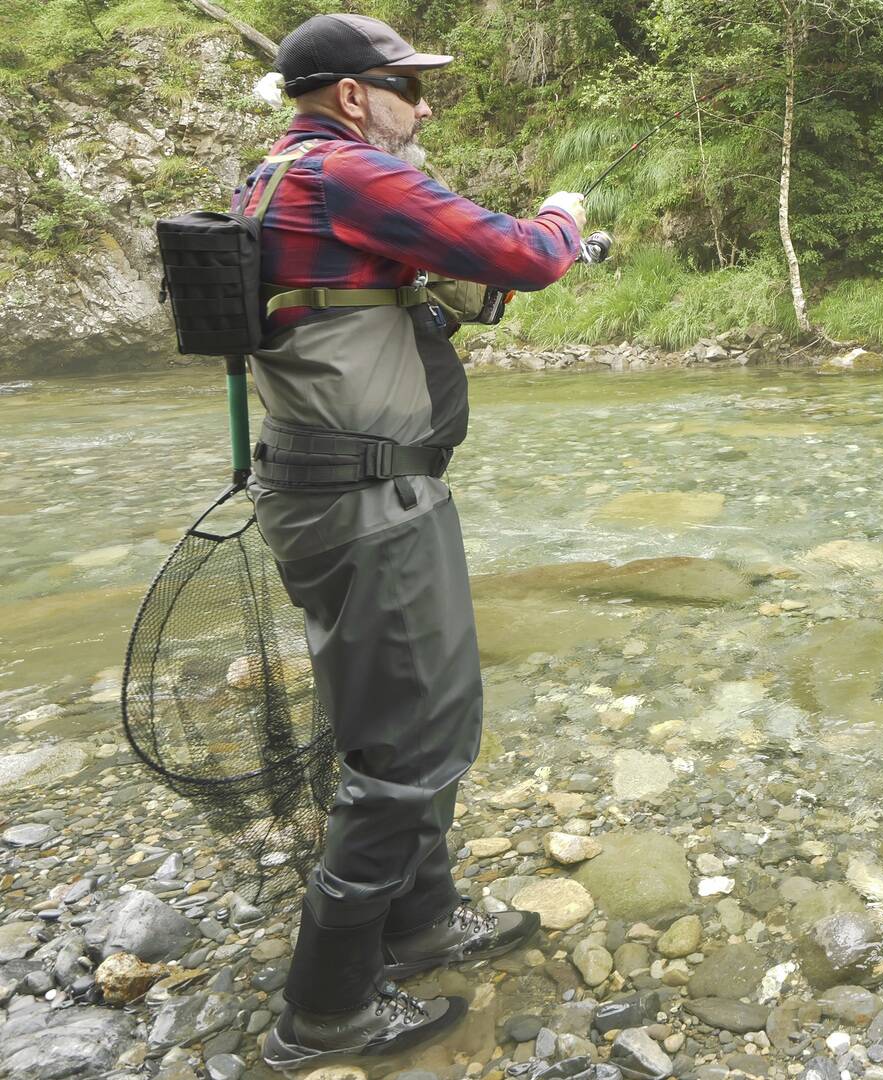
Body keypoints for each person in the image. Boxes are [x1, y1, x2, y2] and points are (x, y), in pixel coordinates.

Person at [236, 14, 588, 1070]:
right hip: (364, 499)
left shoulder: (274, 176)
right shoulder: (346, 174)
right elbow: (525, 255)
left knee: (407, 719)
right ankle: (328, 1009)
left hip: (342, 489)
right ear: (352, 95)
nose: (422, 106)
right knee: (410, 746)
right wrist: (565, 217)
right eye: (407, 87)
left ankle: (423, 923)